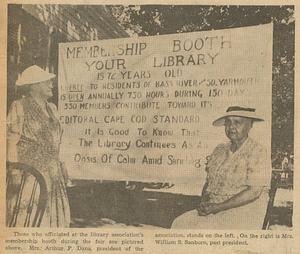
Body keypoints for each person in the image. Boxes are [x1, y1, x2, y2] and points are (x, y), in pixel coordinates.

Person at [172, 106, 271, 229]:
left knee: (204, 229)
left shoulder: (258, 151)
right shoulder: (220, 150)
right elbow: (209, 183)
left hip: (244, 210)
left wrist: (218, 207)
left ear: (250, 125)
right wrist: (204, 203)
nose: (231, 127)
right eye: (227, 122)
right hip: (215, 207)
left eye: (237, 122)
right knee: (180, 223)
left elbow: (254, 192)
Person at [6, 65, 70, 227]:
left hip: (54, 174)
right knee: (30, 218)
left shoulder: (53, 109)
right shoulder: (19, 106)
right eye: (46, 82)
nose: (51, 85)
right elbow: (10, 140)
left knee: (55, 219)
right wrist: (14, 171)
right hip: (31, 175)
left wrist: (62, 163)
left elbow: (58, 140)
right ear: (34, 86)